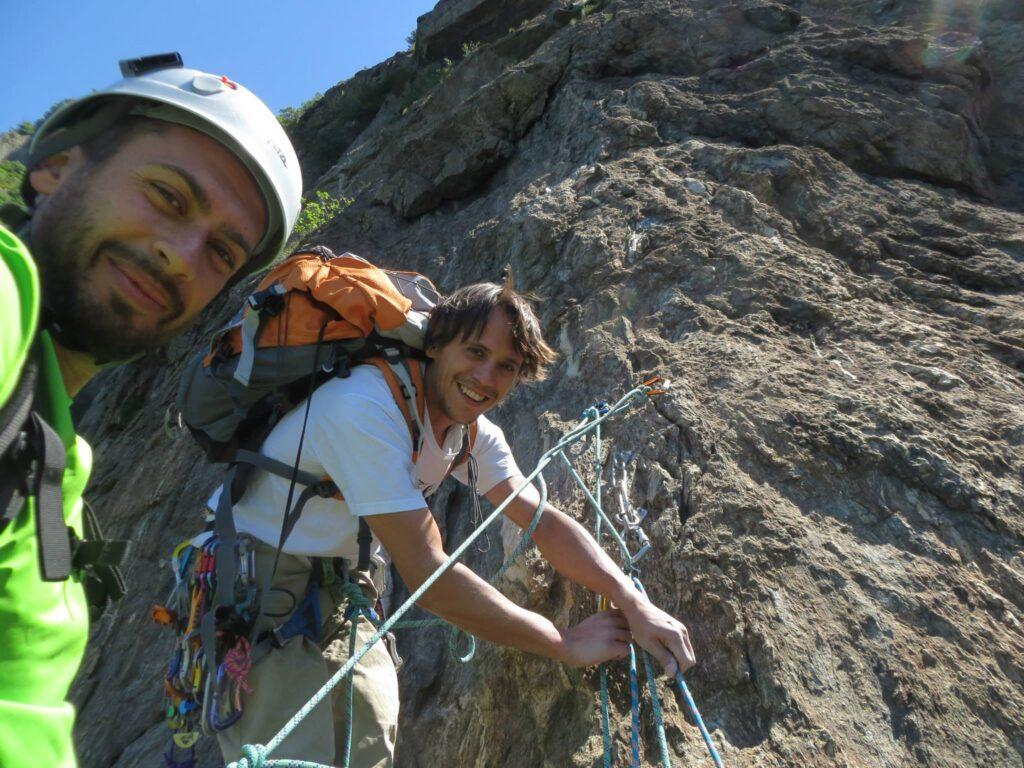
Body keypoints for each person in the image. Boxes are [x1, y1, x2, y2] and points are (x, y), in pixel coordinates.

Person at [212, 279, 697, 767]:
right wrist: (562, 642)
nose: (485, 376)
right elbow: (430, 574)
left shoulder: (471, 434)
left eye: (505, 366)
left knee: (369, 746)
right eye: (475, 351)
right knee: (290, 757)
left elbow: (539, 520)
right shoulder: (363, 408)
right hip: (257, 583)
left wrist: (631, 600)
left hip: (345, 583)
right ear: (437, 345)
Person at [0, 53, 302, 768]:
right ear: (55, 169)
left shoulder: (54, 447)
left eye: (222, 251)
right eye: (167, 196)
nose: (180, 254)